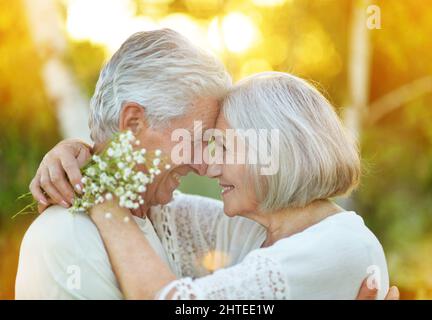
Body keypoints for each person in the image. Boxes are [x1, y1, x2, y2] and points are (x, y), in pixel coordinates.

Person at [16, 29, 399, 300]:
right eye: (198, 140)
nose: (206, 166)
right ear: (133, 123)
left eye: (220, 147)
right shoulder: (66, 240)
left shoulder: (311, 241)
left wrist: (104, 197)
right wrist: (82, 155)